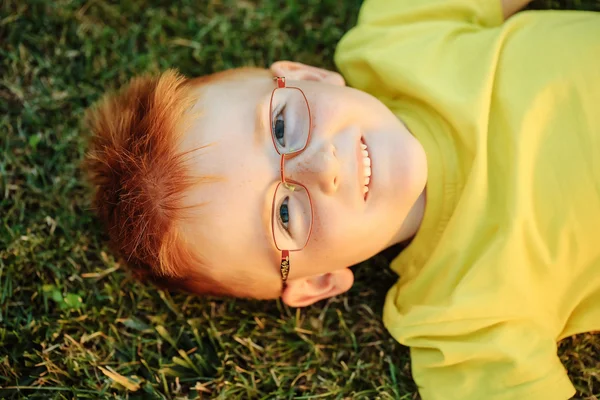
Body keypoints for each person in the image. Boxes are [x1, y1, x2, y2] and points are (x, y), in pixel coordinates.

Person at [84, 0, 600, 398]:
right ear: (317, 282)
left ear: (309, 76)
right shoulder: (459, 327)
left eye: (283, 125)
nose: (323, 166)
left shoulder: (397, 37)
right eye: (285, 214)